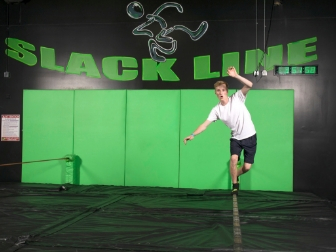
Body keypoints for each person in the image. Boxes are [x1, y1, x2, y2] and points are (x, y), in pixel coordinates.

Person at [183, 66, 257, 195]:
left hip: (250, 136)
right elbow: (205, 124)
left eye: (223, 89)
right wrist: (192, 134)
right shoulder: (216, 110)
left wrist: (236, 76)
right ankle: (235, 185)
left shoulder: (238, 98)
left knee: (246, 167)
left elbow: (250, 84)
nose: (221, 92)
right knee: (234, 159)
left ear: (227, 91)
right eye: (218, 90)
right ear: (215, 93)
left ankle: (236, 174)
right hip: (235, 138)